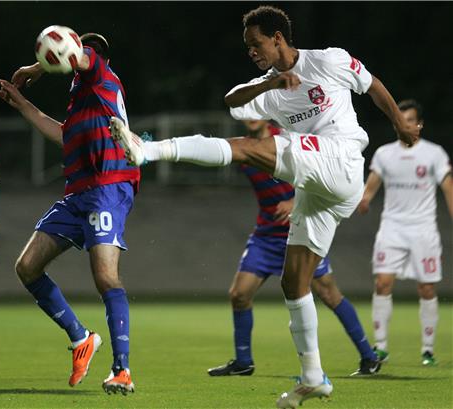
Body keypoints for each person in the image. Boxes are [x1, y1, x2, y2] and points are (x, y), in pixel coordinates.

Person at [109, 5, 419, 407]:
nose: (251, 51)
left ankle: (148, 149)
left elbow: (373, 84)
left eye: (256, 44)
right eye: (247, 47)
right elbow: (232, 100)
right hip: (318, 189)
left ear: (278, 37)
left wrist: (398, 122)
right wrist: (268, 84)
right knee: (295, 282)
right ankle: (313, 377)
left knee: (248, 148)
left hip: (342, 159)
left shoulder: (329, 60)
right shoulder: (267, 87)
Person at [0, 32, 138, 395]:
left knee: (105, 277)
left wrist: (34, 67)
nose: (77, 64)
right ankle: (81, 338)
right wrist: (22, 103)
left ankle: (122, 370)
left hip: (108, 186)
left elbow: (80, 55)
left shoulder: (101, 74)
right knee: (27, 267)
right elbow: (61, 134)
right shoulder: (82, 101)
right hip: (78, 194)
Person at [207, 120, 380, 379]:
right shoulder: (244, 149)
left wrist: (293, 200)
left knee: (330, 294)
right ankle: (243, 362)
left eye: (257, 109)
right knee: (239, 294)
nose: (251, 115)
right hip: (266, 236)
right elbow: (216, 152)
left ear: (266, 114)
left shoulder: (288, 139)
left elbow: (318, 170)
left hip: (301, 232)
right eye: (247, 112)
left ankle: (369, 357)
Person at [358, 99, 452, 367]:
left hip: (423, 229)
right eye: (401, 120)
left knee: (426, 287)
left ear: (419, 124)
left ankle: (428, 349)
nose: (405, 124)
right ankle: (381, 346)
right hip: (392, 227)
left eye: (410, 120)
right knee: (382, 283)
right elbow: (371, 186)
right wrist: (364, 199)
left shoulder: (434, 154)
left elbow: (448, 187)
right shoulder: (385, 154)